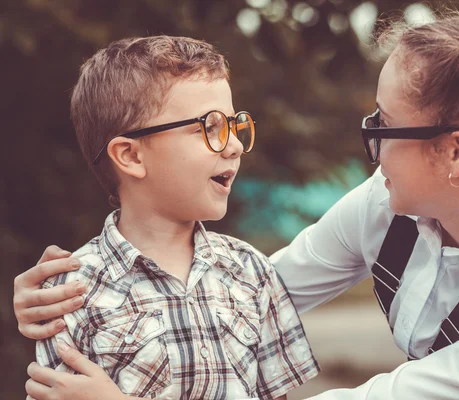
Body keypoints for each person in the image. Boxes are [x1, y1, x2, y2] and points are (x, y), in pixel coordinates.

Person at [14, 13, 459, 400]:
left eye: (385, 125)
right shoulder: (386, 203)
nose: (368, 141)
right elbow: (245, 295)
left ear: (454, 153)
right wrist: (69, 293)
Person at [18, 35, 319, 400]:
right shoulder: (70, 293)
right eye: (208, 127)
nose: (235, 145)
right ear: (130, 156)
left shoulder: (252, 272)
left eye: (232, 125)